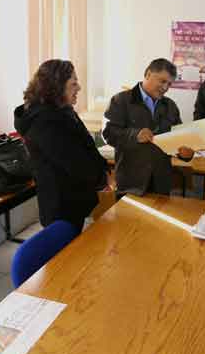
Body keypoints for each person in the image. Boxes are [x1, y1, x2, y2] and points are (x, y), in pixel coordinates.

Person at [14, 59, 109, 233]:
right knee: (65, 244)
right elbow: (75, 162)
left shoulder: (62, 110)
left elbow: (86, 144)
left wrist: (102, 168)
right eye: (73, 83)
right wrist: (101, 179)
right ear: (56, 87)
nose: (79, 88)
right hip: (61, 203)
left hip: (74, 197)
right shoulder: (44, 121)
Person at [103, 58, 194, 196]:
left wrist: (185, 154)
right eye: (162, 81)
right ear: (148, 74)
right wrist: (135, 135)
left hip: (161, 184)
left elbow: (178, 140)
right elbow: (108, 133)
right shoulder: (120, 100)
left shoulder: (170, 106)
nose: (165, 88)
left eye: (169, 84)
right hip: (131, 184)